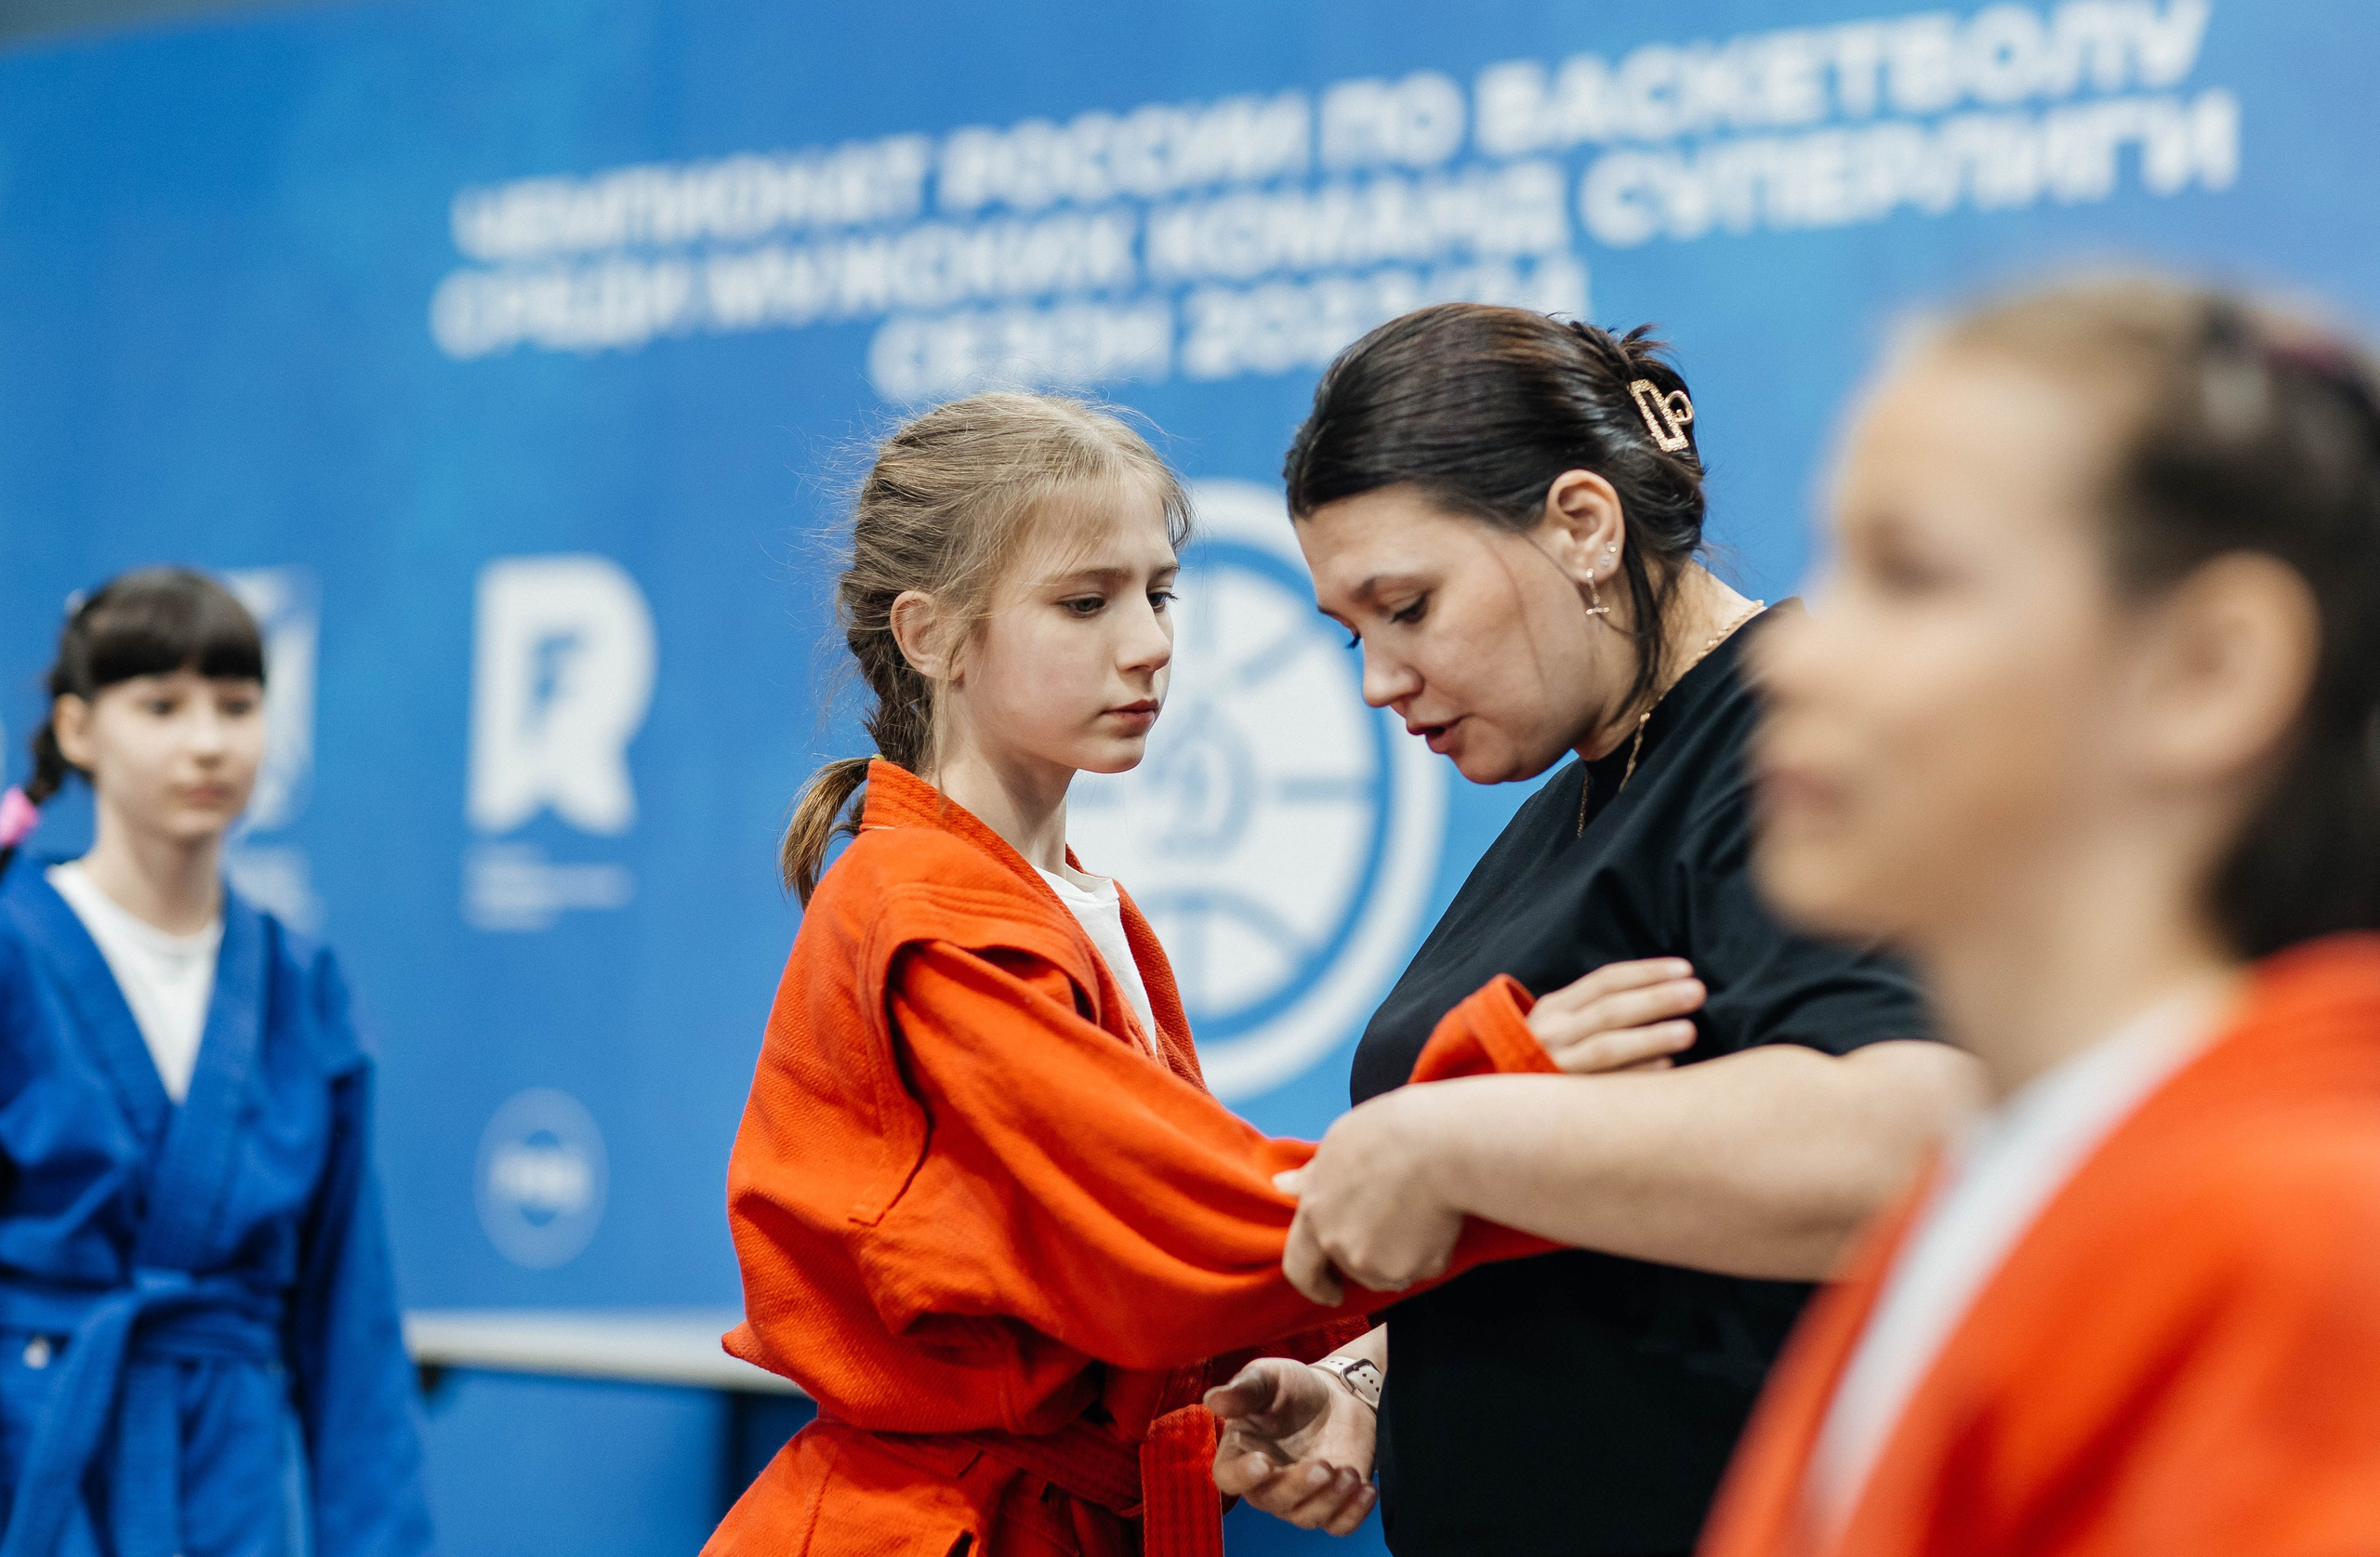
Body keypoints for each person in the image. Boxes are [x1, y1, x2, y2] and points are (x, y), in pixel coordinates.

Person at [704, 391, 1692, 1557]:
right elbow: (1172, 1233)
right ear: (929, 637)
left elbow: (1094, 1271)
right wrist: (1496, 1108)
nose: (1150, 644)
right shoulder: (921, 908)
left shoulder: (1078, 905)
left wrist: (1233, 1388)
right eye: (1084, 602)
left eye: (1159, 593)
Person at [1205, 305, 1979, 1556]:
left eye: (1408, 605)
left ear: (1581, 522)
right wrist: (1376, 1379)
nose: (1376, 677)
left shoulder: (1799, 745)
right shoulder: (1584, 789)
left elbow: (1913, 1139)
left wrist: (1455, 1135)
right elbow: (1632, 1243)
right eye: (1355, 630)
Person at [1698, 277, 2380, 1554]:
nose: (1794, 653)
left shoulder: (2310, 1240)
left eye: (1910, 574)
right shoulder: (1992, 1190)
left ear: (2209, 666)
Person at [0, 569, 431, 1557]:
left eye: (236, 706)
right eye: (160, 705)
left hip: (229, 1476)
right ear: (78, 731)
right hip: (38, 1448)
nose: (207, 740)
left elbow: (347, 1320)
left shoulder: (298, 981)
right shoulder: (14, 949)